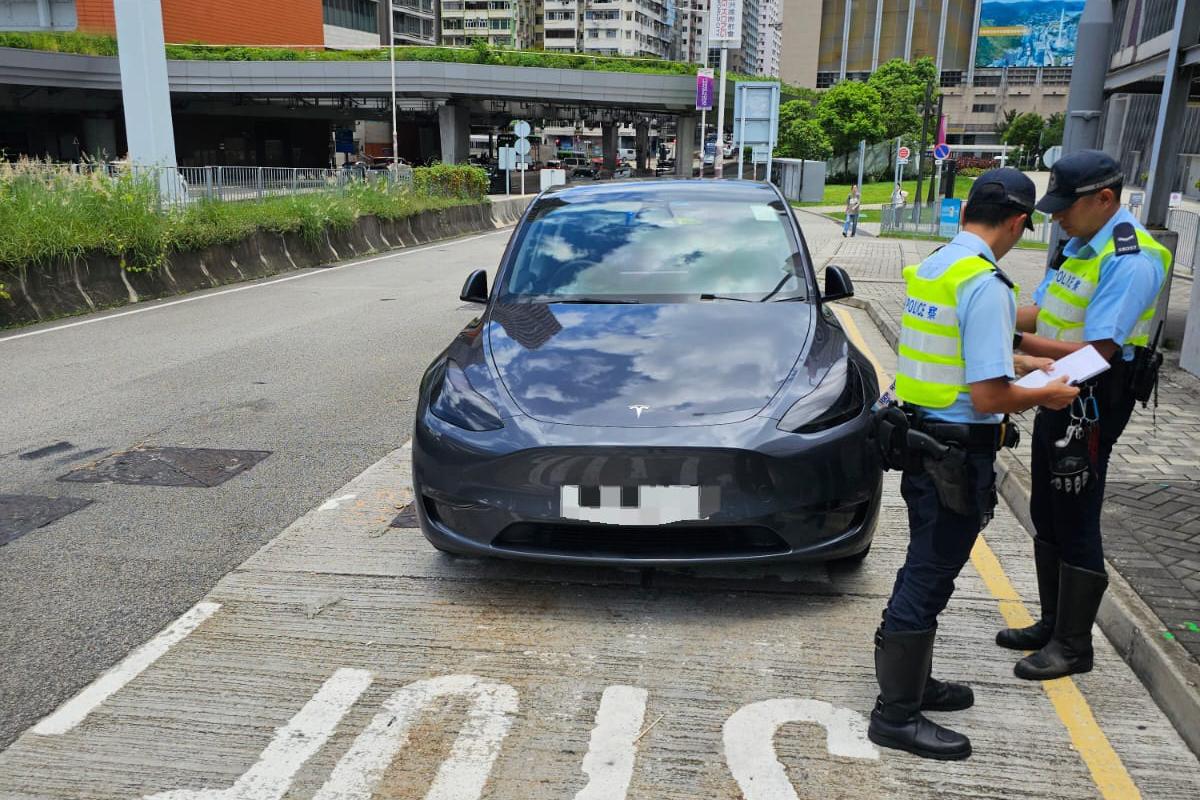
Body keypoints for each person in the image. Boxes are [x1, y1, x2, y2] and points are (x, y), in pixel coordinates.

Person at [869, 168, 1079, 760]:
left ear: (965, 213)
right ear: (1016, 223)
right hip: (956, 452)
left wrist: (1028, 362)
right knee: (930, 574)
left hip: (920, 441)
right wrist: (1047, 391)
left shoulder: (936, 266)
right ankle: (895, 715)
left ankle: (913, 683)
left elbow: (963, 357)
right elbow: (989, 397)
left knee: (922, 565)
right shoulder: (986, 284)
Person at [995, 150, 1172, 681]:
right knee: (1047, 508)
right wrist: (983, 306)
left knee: (1076, 510)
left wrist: (1014, 342)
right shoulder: (1080, 246)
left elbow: (1099, 353)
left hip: (1094, 396)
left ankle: (1074, 646)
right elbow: (1045, 312)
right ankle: (1052, 624)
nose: (1056, 218)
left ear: (1105, 199)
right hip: (1059, 388)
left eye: (1065, 207)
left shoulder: (1130, 258)